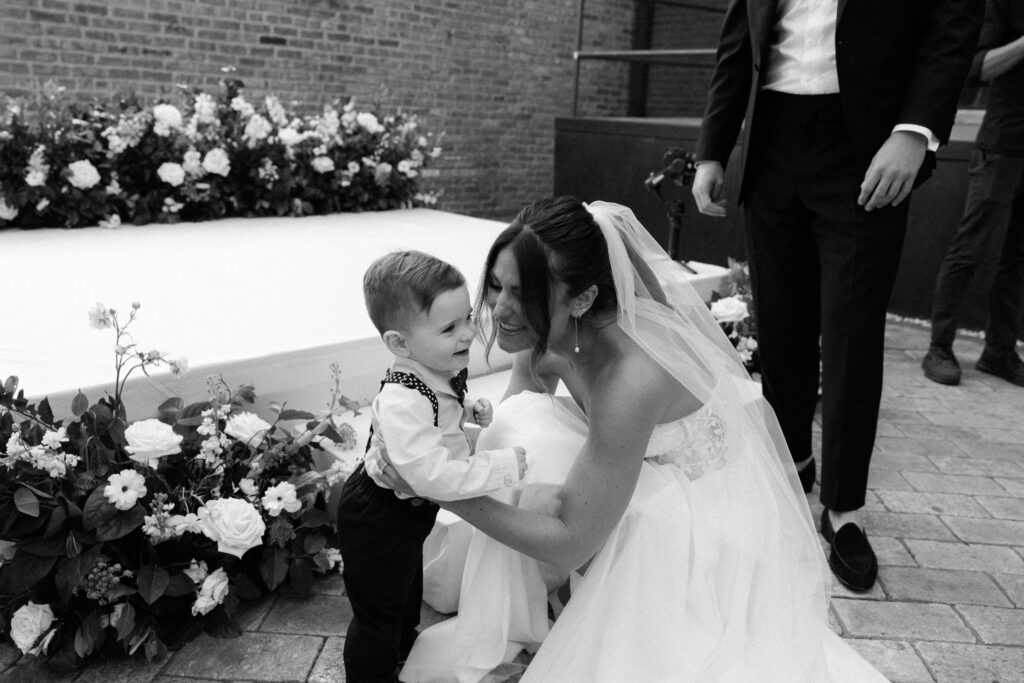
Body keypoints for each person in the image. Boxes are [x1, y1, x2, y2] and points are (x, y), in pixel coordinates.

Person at [383, 198, 887, 682]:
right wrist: (429, 442)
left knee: (538, 475)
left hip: (686, 506)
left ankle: (586, 597)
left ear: (583, 298)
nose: (501, 308)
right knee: (515, 422)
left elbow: (571, 538)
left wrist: (441, 487)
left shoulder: (631, 379)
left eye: (525, 293)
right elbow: (510, 421)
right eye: (496, 285)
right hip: (625, 464)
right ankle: (544, 602)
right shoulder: (550, 333)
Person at [691, 0, 983, 592]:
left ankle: (844, 508)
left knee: (850, 335)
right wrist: (712, 150)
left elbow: (951, 24)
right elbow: (739, 44)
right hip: (770, 140)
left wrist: (915, 131)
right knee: (780, 328)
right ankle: (793, 466)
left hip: (864, 143)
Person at [336, 250, 528, 683]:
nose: (466, 335)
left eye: (467, 319)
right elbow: (434, 475)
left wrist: (468, 410)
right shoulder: (403, 398)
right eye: (449, 328)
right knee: (377, 613)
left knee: (405, 590)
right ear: (400, 344)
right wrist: (499, 466)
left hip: (406, 510)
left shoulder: (433, 368)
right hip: (376, 516)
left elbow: (441, 410)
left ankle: (401, 649)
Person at [922, 0, 1024, 388]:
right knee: (971, 249)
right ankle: (940, 346)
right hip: (1003, 143)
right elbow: (977, 67)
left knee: (1018, 259)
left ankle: (999, 351)